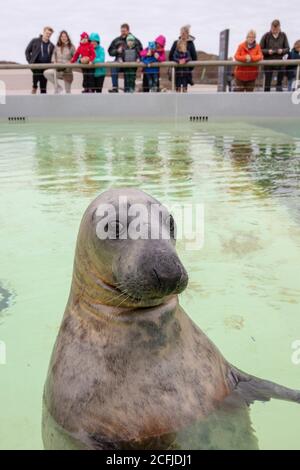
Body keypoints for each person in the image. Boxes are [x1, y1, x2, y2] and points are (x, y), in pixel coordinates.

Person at [108, 23, 142, 92]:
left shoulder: (135, 40)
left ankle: (128, 90)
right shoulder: (116, 40)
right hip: (119, 62)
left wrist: (138, 58)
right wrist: (117, 51)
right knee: (113, 66)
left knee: (128, 84)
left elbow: (140, 50)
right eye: (121, 31)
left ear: (128, 31)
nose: (122, 33)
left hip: (130, 63)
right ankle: (115, 87)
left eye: (124, 31)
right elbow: (110, 51)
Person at [260, 19, 290, 92]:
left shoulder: (283, 35)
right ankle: (266, 96)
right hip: (268, 62)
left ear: (279, 27)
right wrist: (268, 51)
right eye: (273, 29)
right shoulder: (266, 35)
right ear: (271, 27)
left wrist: (282, 51)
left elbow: (288, 48)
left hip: (280, 61)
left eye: (276, 29)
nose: (275, 30)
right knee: (267, 82)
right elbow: (260, 49)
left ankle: (279, 94)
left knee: (279, 82)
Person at [25, 27, 55, 94]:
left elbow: (53, 56)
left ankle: (43, 97)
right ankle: (34, 87)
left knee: (43, 86)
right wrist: (30, 61)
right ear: (43, 32)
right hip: (36, 65)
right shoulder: (34, 41)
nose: (48, 35)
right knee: (35, 81)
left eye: (50, 34)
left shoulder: (52, 45)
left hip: (46, 66)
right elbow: (27, 51)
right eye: (47, 33)